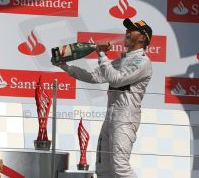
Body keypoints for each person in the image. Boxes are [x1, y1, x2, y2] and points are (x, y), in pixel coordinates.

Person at [53, 18, 153, 178]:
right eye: (127, 29)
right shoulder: (122, 59)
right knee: (104, 169)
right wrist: (65, 67)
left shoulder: (143, 61)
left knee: (120, 167)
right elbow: (95, 77)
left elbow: (117, 79)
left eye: (132, 30)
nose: (127, 32)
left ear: (142, 38)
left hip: (126, 117)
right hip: (111, 116)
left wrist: (101, 54)